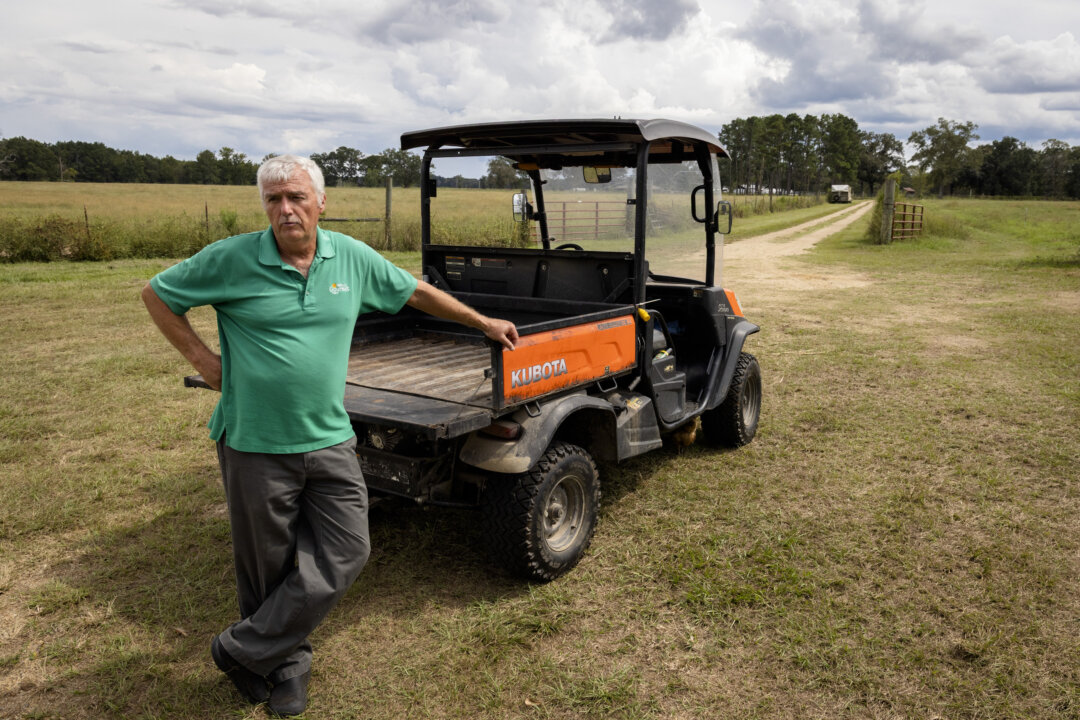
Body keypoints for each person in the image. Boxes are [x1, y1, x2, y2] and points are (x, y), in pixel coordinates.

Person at [142, 155, 517, 716]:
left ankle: (241, 648)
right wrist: (201, 356)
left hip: (330, 436)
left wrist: (483, 323)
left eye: (296, 197)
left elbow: (414, 292)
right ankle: (285, 667)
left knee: (348, 549)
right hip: (255, 440)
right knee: (266, 565)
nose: (285, 210)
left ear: (321, 203)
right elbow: (157, 294)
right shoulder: (234, 258)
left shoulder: (351, 257)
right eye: (273, 200)